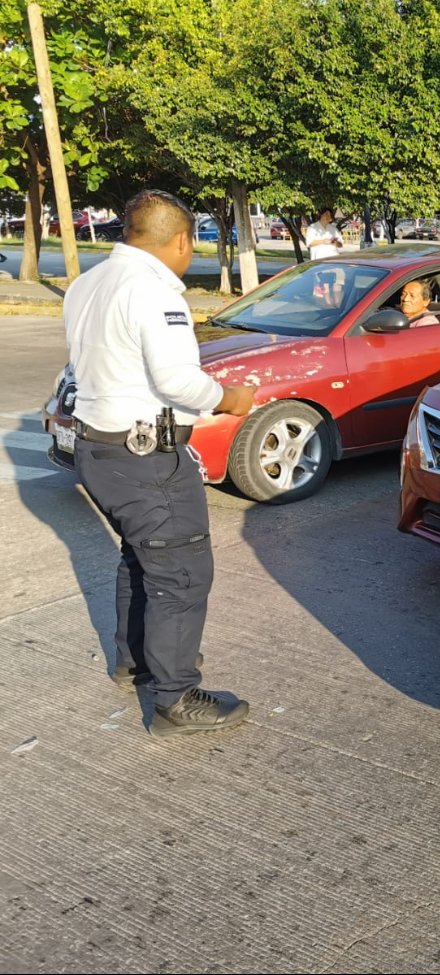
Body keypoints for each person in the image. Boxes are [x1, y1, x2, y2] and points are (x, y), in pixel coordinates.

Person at [63, 189, 256, 737]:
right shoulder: (154, 292)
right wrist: (231, 398)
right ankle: (174, 699)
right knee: (182, 573)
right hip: (146, 458)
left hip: (99, 450)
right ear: (181, 240)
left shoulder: (87, 284)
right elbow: (177, 380)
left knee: (141, 560)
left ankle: (136, 663)